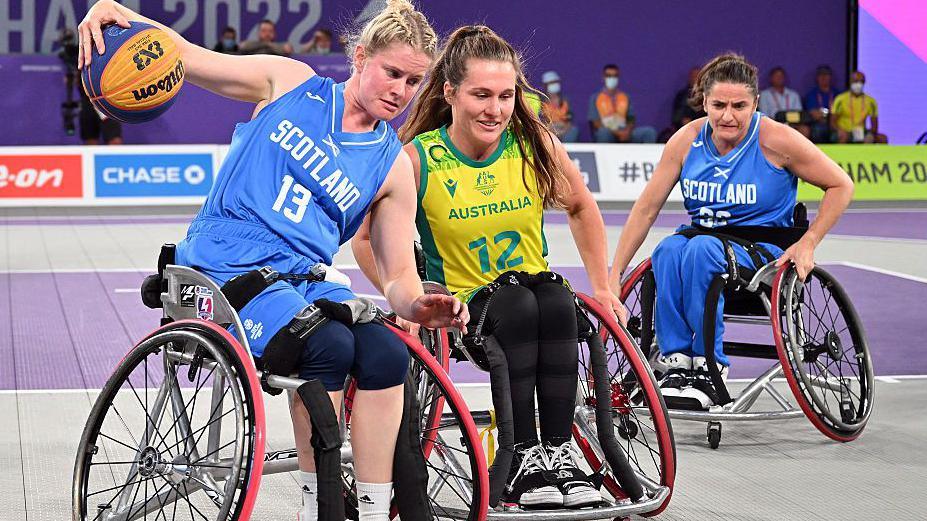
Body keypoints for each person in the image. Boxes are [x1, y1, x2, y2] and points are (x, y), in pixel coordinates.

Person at [78, 2, 461, 521]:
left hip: (301, 280)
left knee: (386, 355)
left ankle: (372, 512)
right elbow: (182, 56)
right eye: (392, 72)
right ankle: (317, 508)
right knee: (326, 345)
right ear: (359, 56)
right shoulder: (289, 82)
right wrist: (118, 12)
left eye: (413, 81)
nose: (400, 89)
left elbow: (397, 277)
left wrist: (419, 306)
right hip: (223, 263)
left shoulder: (393, 165)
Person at [353, 25, 622, 510]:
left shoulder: (532, 143)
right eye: (481, 94)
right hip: (465, 311)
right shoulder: (418, 159)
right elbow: (365, 240)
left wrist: (603, 287)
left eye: (506, 95)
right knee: (518, 303)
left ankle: (558, 451)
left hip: (540, 300)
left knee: (560, 301)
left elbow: (582, 207)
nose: (495, 109)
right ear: (450, 92)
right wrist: (407, 297)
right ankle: (520, 455)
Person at [607, 53, 853, 409]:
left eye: (739, 105)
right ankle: (676, 363)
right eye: (718, 104)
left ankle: (710, 367)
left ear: (755, 102)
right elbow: (646, 209)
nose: (728, 115)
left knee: (700, 249)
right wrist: (615, 272)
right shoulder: (686, 141)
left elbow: (841, 185)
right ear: (703, 102)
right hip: (704, 245)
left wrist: (808, 242)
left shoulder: (777, 139)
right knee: (668, 250)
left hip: (763, 250)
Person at [588, 64, 657, 143]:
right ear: (603, 77)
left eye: (615, 76)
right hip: (608, 132)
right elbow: (596, 123)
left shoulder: (625, 97)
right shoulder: (595, 98)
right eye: (609, 76)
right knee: (603, 133)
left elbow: (631, 119)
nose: (612, 79)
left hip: (624, 131)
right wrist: (617, 133)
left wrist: (627, 131)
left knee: (648, 132)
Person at [831, 71, 888, 144]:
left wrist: (870, 134)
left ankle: (867, 155)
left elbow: (874, 126)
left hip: (861, 132)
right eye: (855, 81)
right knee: (843, 136)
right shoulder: (840, 99)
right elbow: (832, 123)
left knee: (882, 138)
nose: (858, 84)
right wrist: (840, 130)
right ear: (851, 82)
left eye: (861, 81)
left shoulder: (871, 101)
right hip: (846, 131)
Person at [758, 66, 810, 138]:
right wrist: (779, 124)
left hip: (793, 124)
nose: (779, 78)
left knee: (804, 129)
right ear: (771, 78)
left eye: (781, 76)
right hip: (773, 124)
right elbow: (764, 115)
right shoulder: (765, 95)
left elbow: (799, 114)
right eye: (777, 76)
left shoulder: (793, 95)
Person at [803, 65, 840, 143]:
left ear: (830, 77)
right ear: (817, 78)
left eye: (826, 75)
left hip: (835, 124)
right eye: (821, 75)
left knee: (840, 131)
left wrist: (824, 113)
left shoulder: (838, 95)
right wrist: (830, 113)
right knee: (818, 130)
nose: (824, 77)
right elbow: (814, 114)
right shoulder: (812, 94)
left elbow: (840, 114)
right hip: (819, 124)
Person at [540, 70, 579, 142]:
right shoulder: (541, 102)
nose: (554, 85)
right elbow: (541, 121)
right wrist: (552, 130)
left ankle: (567, 151)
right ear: (545, 85)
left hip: (564, 129)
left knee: (573, 130)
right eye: (551, 83)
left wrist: (562, 131)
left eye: (556, 82)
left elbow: (569, 120)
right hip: (549, 129)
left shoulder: (565, 101)